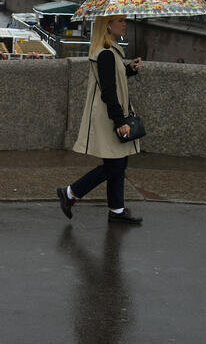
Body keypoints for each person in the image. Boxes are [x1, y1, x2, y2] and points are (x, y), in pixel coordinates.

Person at [57, 14, 143, 224]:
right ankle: (70, 193)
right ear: (107, 25)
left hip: (110, 114)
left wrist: (129, 70)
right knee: (115, 165)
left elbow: (113, 79)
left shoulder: (111, 51)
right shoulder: (106, 53)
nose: (124, 24)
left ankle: (117, 210)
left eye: (125, 20)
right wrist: (120, 121)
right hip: (109, 116)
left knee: (119, 162)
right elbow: (108, 91)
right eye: (120, 21)